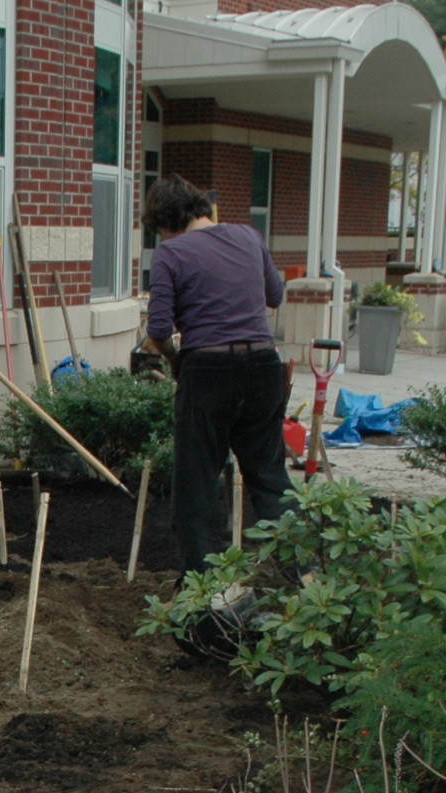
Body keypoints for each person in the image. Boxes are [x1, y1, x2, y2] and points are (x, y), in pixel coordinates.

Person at [141, 173, 292, 575]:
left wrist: (175, 360)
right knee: (270, 474)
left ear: (166, 222)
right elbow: (275, 295)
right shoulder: (249, 237)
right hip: (263, 365)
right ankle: (302, 574)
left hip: (207, 369)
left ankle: (208, 587)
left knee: (198, 480)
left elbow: (158, 330)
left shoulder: (171, 253)